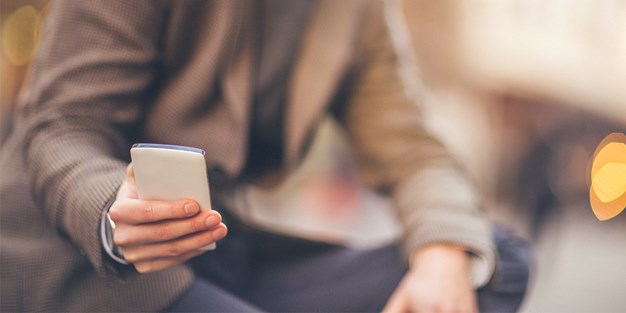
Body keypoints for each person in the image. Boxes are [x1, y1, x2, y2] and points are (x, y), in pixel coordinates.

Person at [0, 0, 529, 312]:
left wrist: (440, 253)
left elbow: (414, 151)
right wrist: (113, 212)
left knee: (494, 263)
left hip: (215, 252)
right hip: (76, 257)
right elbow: (60, 126)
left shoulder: (354, 12)